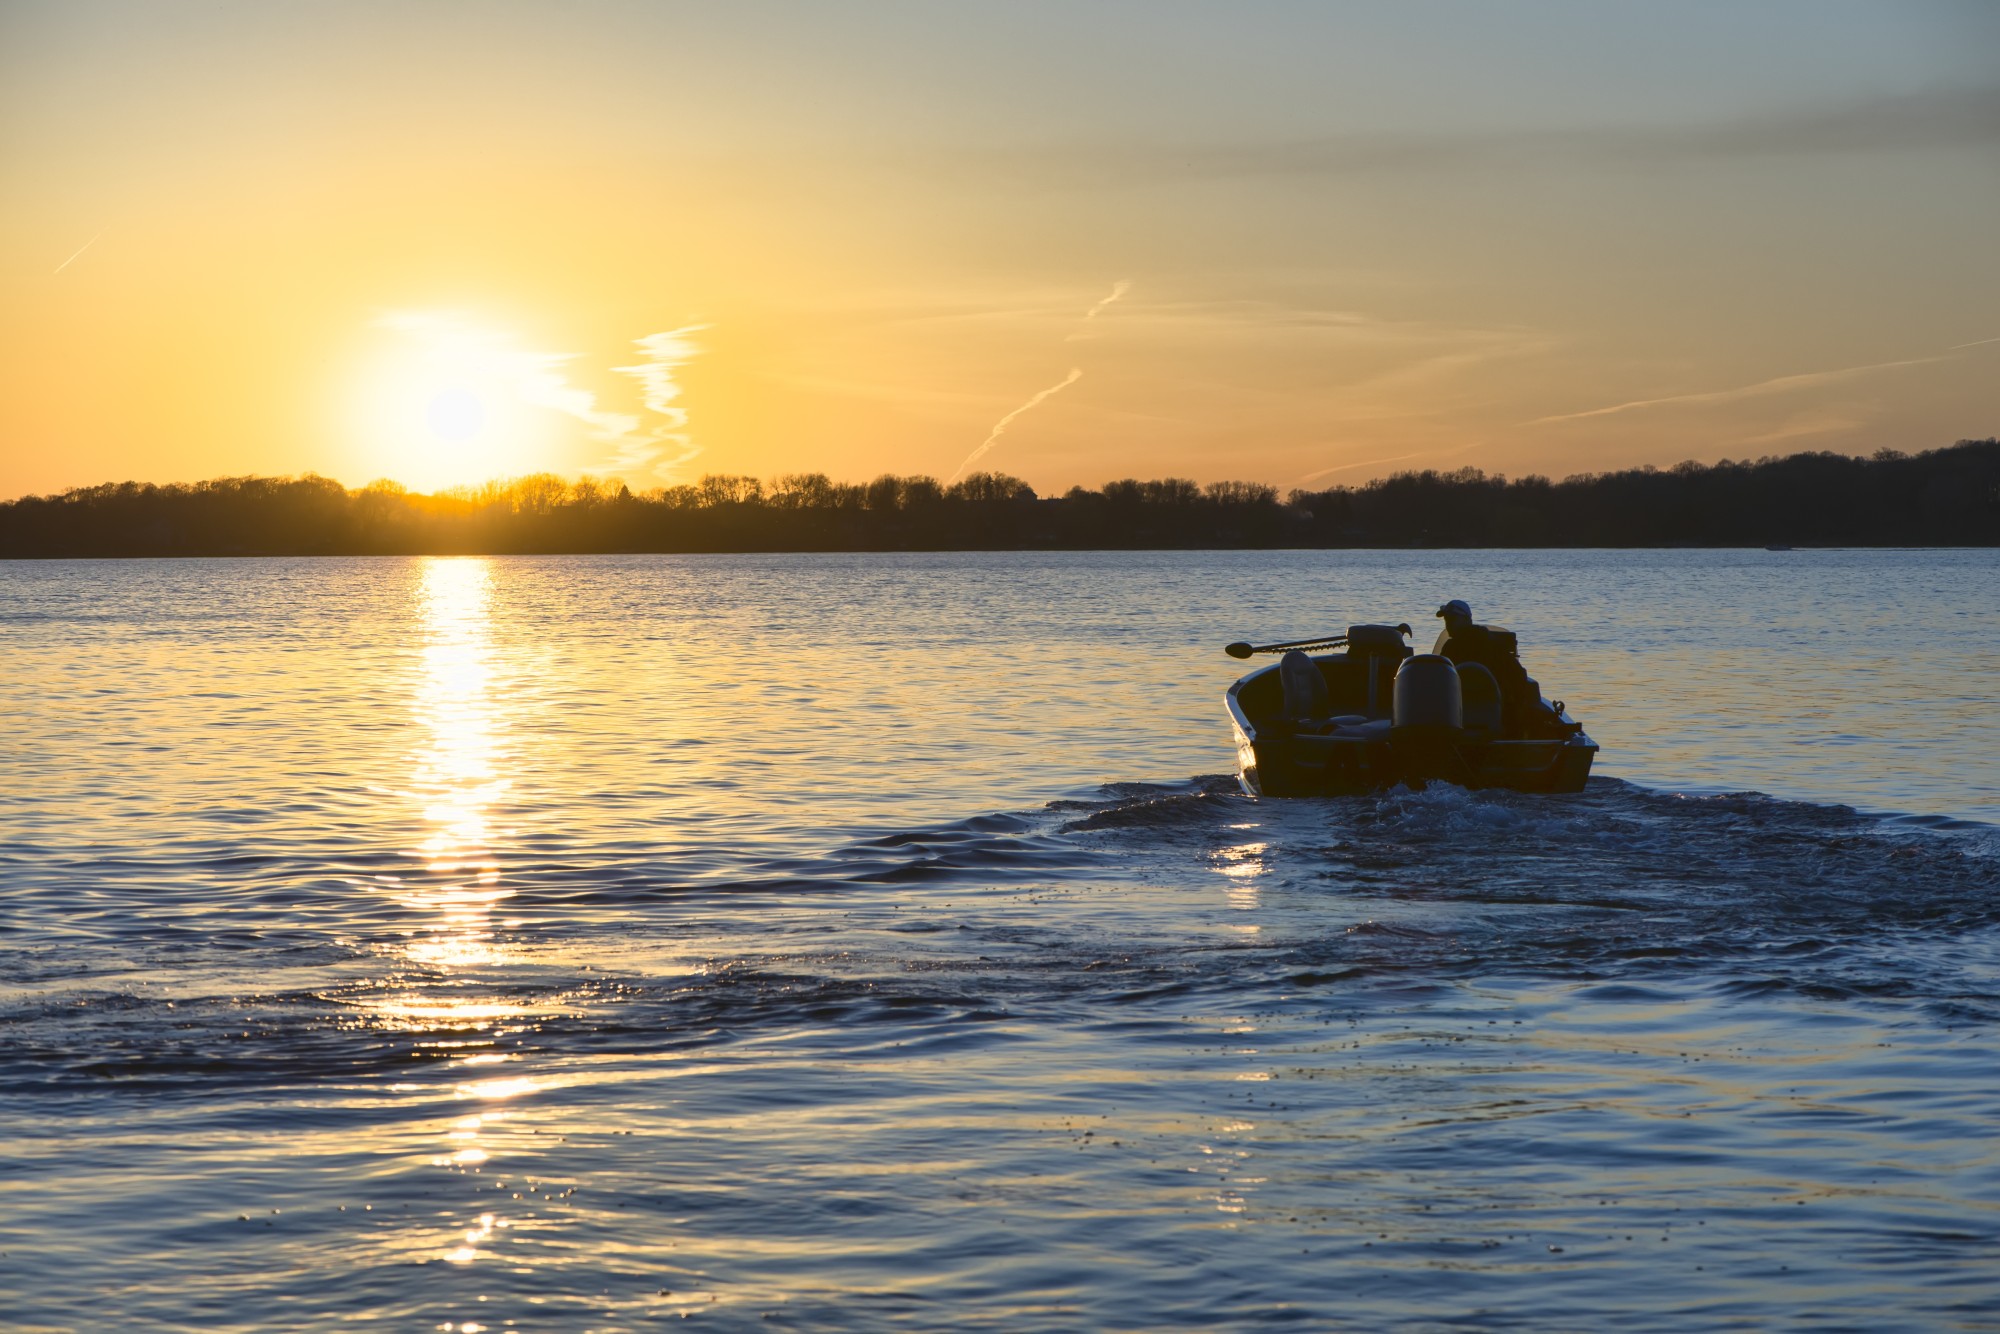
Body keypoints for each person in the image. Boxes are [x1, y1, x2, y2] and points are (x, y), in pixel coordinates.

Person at [1432, 599, 1573, 737]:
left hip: (1456, 718)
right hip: (1494, 716)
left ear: (1467, 620)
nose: (1448, 625)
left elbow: (1438, 679)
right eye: (1447, 620)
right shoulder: (1492, 644)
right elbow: (1518, 675)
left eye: (1452, 619)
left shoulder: (1451, 648)